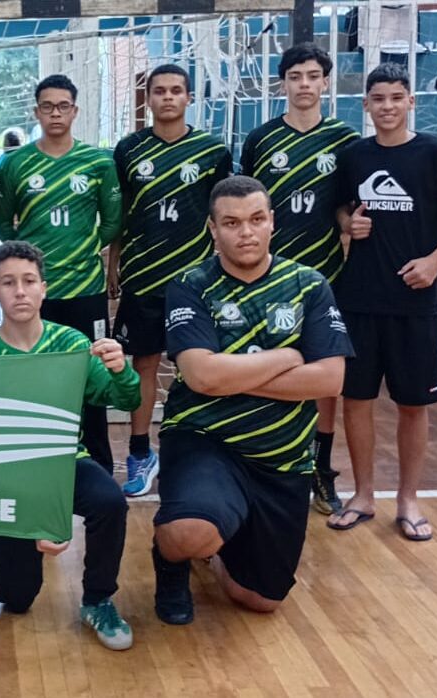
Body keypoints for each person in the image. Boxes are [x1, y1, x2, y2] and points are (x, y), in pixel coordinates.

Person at [151, 176, 353, 625]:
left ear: (272, 223)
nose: (246, 232)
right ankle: (172, 563)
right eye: (232, 222)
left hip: (282, 460)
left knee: (261, 600)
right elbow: (200, 375)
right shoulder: (191, 285)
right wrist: (289, 355)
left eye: (256, 219)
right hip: (206, 440)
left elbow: (330, 379)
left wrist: (228, 376)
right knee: (190, 531)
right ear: (213, 229)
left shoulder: (309, 285)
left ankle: (221, 545)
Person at [327, 63, 437, 541]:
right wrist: (348, 225)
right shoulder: (354, 155)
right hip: (361, 297)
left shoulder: (434, 152)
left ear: (411, 102)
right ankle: (364, 494)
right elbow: (341, 207)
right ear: (366, 104)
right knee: (357, 398)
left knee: (414, 403)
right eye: (378, 98)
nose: (387, 106)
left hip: (417, 300)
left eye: (396, 97)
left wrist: (435, 261)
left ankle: (408, 499)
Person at [0, 241, 139, 651]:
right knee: (15, 598)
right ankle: (23, 556)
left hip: (67, 461)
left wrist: (121, 371)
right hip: (11, 476)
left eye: (29, 281)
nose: (20, 291)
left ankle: (98, 599)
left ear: (44, 289)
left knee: (110, 502)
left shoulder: (72, 344)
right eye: (8, 283)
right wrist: (38, 519)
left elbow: (126, 401)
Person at [240, 43, 360, 515]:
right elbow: (243, 206)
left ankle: (321, 468)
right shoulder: (261, 139)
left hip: (322, 278)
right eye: (295, 76)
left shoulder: (345, 140)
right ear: (282, 83)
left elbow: (348, 207)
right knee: (262, 364)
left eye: (313, 75)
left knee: (323, 377)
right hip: (265, 279)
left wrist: (353, 223)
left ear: (325, 82)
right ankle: (260, 460)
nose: (304, 84)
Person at [110, 64, 231, 497]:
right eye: (159, 91)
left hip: (192, 283)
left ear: (189, 98)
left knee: (195, 368)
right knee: (142, 365)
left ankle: (192, 454)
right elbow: (121, 216)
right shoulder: (128, 150)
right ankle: (141, 453)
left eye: (176, 90)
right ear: (148, 98)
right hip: (142, 278)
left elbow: (223, 217)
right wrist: (113, 267)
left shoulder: (212, 151)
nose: (167, 97)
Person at [0, 74, 123, 473]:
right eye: (47, 106)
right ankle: (34, 461)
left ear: (75, 111)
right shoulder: (15, 163)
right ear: (36, 112)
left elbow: (113, 223)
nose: (55, 113)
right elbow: (3, 226)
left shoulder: (98, 161)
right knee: (34, 376)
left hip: (85, 290)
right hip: (35, 296)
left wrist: (81, 249)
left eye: (63, 105)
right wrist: (34, 260)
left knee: (92, 373)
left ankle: (98, 464)